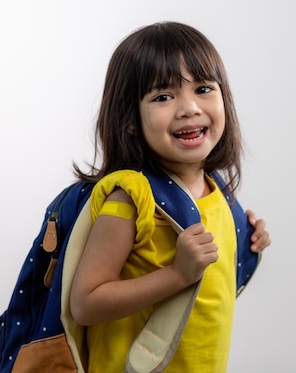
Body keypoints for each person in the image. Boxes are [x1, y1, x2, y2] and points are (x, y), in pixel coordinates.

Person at [69, 21, 271, 372]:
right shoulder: (131, 199)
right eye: (163, 96)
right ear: (130, 119)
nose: (189, 107)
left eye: (204, 88)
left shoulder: (218, 192)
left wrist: (248, 243)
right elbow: (86, 303)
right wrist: (177, 274)